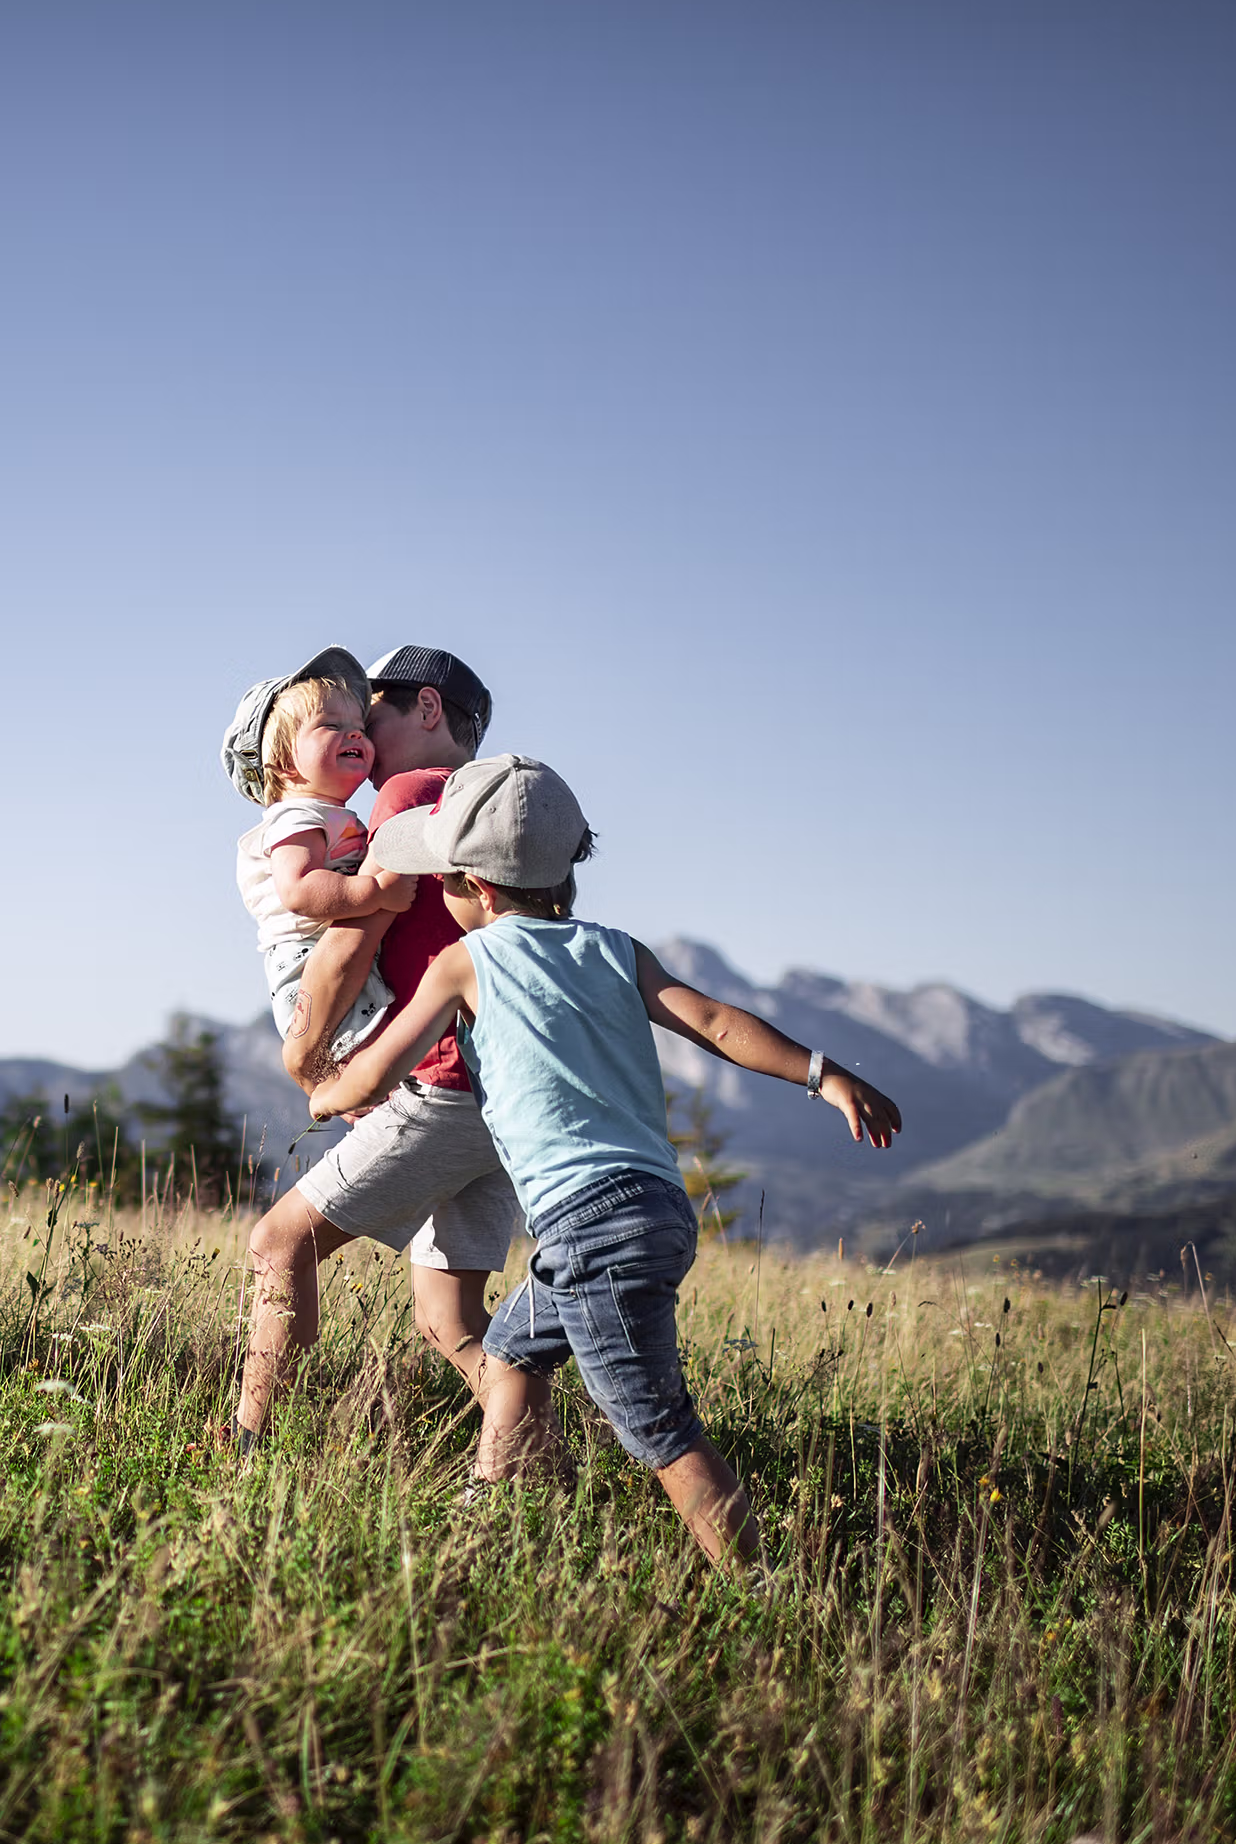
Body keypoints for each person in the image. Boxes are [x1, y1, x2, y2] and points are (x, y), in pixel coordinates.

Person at [309, 754, 903, 1565]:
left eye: (441, 879)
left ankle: (759, 1589)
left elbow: (377, 1073)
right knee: (512, 1351)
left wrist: (324, 1091)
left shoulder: (465, 962)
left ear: (475, 888)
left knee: (658, 1428)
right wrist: (821, 1073)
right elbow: (716, 1023)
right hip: (653, 1208)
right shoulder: (617, 952)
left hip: (589, 1229)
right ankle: (493, 1511)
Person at [235, 645, 522, 1452]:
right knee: (448, 1320)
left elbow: (348, 947)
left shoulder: (403, 798)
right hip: (504, 1088)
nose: (360, 734)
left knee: (279, 1244)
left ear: (425, 709)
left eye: (371, 715)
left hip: (440, 1081)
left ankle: (251, 1445)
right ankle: (536, 1462)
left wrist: (306, 1053)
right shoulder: (495, 806)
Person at [221, 645, 415, 1062]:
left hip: (327, 955)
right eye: (331, 725)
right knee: (357, 1063)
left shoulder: (325, 815)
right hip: (305, 962)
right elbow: (301, 890)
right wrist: (377, 893)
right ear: (283, 762)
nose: (356, 735)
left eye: (360, 726)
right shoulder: (296, 816)